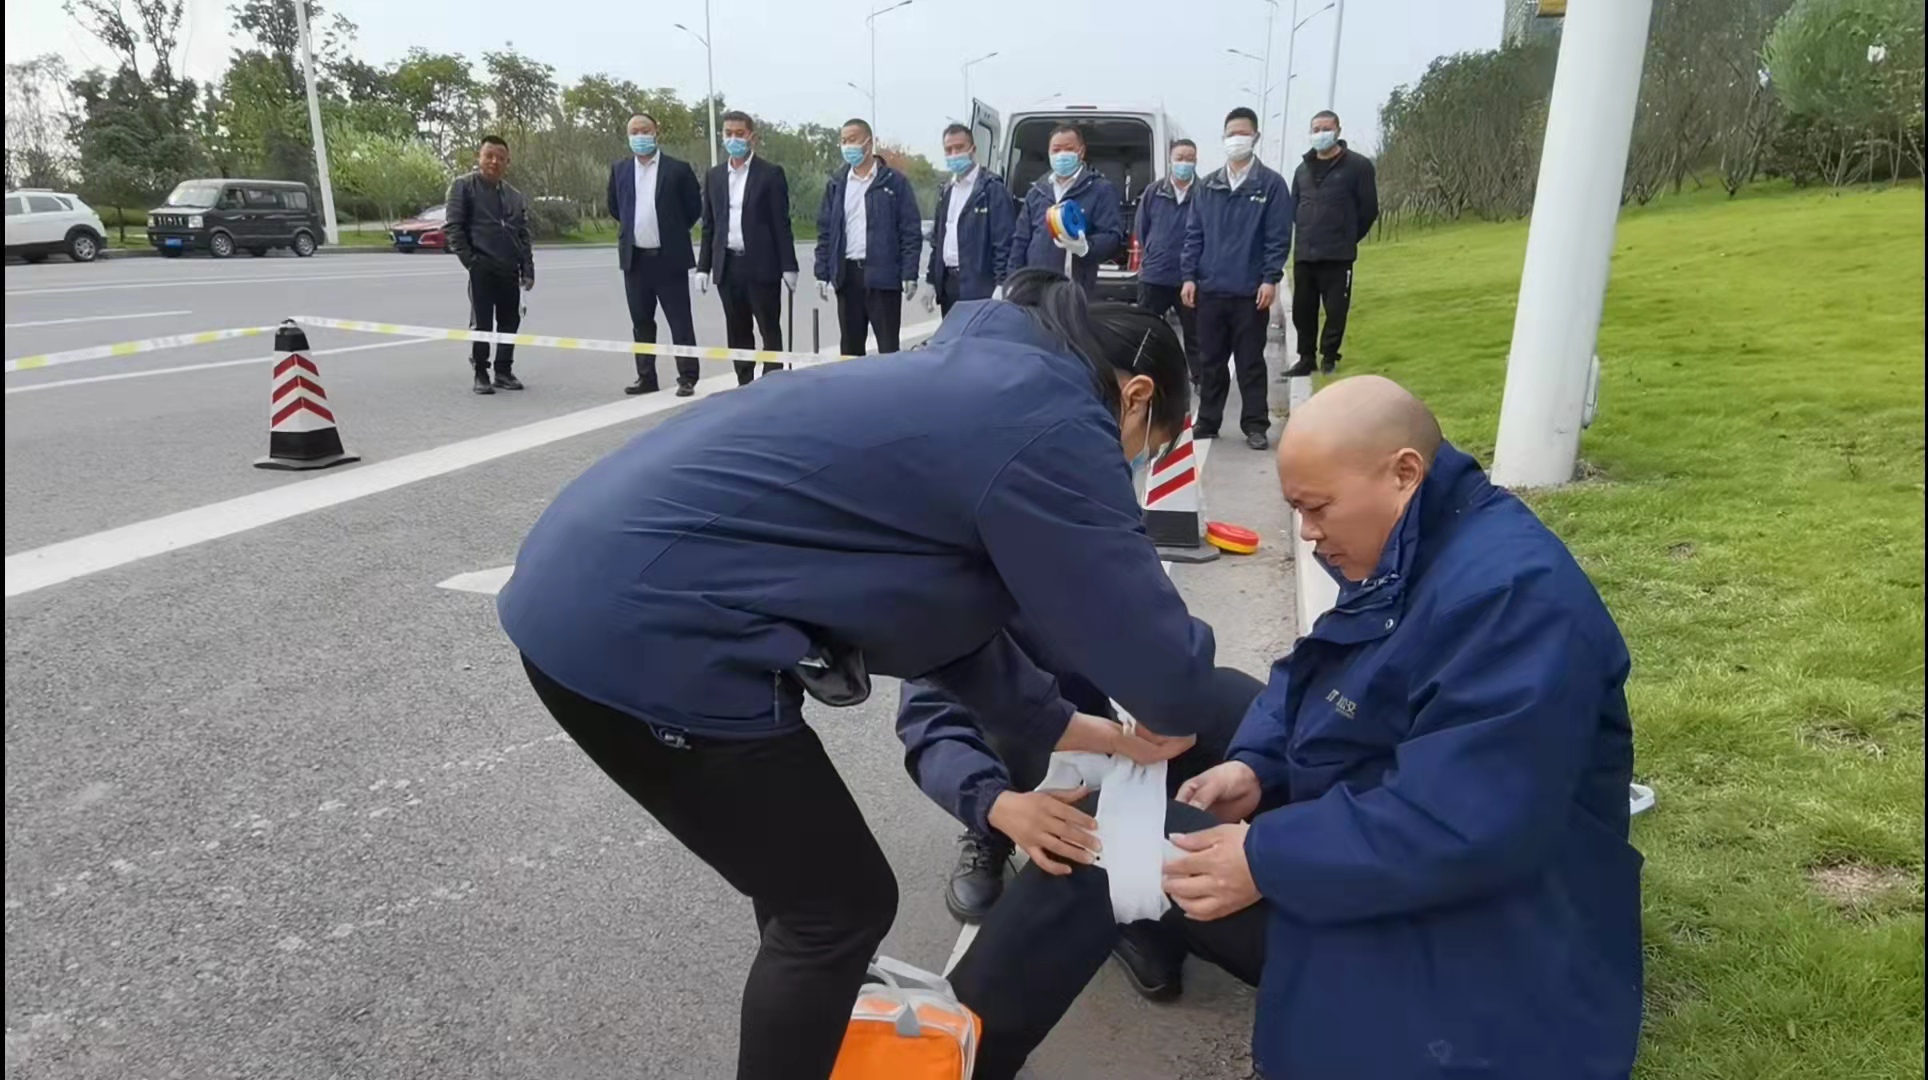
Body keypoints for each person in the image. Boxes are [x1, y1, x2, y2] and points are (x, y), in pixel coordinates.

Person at [497, 268, 1216, 1080]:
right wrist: (1173, 705)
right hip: (643, 629)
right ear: (1136, 397)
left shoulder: (983, 382)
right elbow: (1168, 673)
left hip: (601, 582)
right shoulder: (1051, 422)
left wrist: (1082, 731)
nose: (1130, 469)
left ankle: (812, 1034)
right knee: (837, 908)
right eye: (1143, 449)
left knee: (803, 888)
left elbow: (940, 621)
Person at [948, 374, 1644, 1080]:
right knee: (1214, 700)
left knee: (1099, 843)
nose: (1308, 533)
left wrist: (1264, 859)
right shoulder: (1430, 538)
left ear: (1404, 473)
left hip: (1462, 929)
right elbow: (1323, 668)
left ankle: (945, 1057)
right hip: (1396, 823)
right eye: (1297, 512)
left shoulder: (1512, 603)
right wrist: (1256, 763)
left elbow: (1464, 823)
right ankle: (1142, 922)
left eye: (1317, 509)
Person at [1182, 107, 1294, 451]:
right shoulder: (1208, 186)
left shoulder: (1271, 185)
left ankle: (1255, 425)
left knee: (1249, 361)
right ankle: (1208, 420)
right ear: (1223, 137)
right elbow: (1194, 234)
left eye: (1243, 133)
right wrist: (1189, 276)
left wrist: (1269, 278)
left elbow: (1277, 237)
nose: (1236, 139)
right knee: (1211, 361)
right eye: (1231, 134)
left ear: (1255, 137)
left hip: (1249, 291)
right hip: (1210, 289)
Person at [698, 110, 798, 385]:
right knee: (737, 329)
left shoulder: (770, 174)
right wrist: (703, 266)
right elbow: (709, 225)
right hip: (728, 265)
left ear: (751, 137)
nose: (734, 139)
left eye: (739, 134)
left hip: (761, 266)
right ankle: (744, 382)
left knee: (768, 327)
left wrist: (789, 265)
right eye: (728, 133)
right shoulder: (715, 176)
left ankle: (772, 383)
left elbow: (781, 223)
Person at [608, 113, 704, 396]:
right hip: (635, 260)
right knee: (641, 322)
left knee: (680, 321)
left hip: (669, 259)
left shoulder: (678, 170)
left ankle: (687, 376)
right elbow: (615, 206)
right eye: (634, 132)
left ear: (656, 132)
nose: (640, 136)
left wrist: (672, 229)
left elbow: (693, 208)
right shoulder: (620, 170)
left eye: (645, 130)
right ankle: (646, 377)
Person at [813, 118, 923, 356]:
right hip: (848, 276)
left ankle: (889, 382)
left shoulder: (894, 183)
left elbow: (910, 230)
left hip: (883, 277)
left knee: (888, 349)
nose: (847, 146)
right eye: (843, 141)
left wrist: (909, 272)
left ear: (869, 142)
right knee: (850, 349)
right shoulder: (837, 184)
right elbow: (826, 231)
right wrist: (822, 272)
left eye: (852, 139)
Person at [1283, 110, 1379, 377]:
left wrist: (1347, 235)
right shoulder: (1302, 170)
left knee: (1336, 310)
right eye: (1316, 129)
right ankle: (1306, 358)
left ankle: (1329, 356)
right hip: (1306, 252)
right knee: (1303, 309)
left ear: (1337, 130)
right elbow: (1294, 207)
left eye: (1326, 128)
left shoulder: (1358, 166)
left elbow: (1369, 209)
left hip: (1338, 254)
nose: (1320, 134)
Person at [444, 134, 534, 395]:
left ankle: (503, 370)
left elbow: (522, 234)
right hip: (481, 268)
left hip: (509, 269)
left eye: (500, 158)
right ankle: (480, 372)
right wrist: (471, 262)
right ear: (479, 157)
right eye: (489, 156)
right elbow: (454, 228)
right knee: (482, 324)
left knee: (510, 322)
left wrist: (527, 269)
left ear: (508, 162)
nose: (494, 161)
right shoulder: (463, 186)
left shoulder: (514, 196)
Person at [1009, 124, 1123, 296]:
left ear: (1081, 152)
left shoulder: (1100, 190)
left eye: (1069, 149)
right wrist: (1011, 282)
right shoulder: (1037, 191)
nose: (1062, 155)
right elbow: (1021, 240)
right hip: (1035, 287)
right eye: (1056, 150)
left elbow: (1112, 236)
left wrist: (1086, 247)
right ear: (1049, 153)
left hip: (1074, 289)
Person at [926, 122, 1015, 317]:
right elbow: (937, 241)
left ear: (972, 149)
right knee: (952, 336)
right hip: (949, 285)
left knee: (979, 336)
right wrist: (932, 280)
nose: (954, 154)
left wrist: (1002, 283)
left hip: (979, 286)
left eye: (959, 148)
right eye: (949, 149)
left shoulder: (991, 189)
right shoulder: (947, 191)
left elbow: (1004, 242)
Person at [1134, 138, 1202, 388]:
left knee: (1196, 334)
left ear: (1196, 161)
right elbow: (1142, 229)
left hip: (1191, 278)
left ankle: (1200, 378)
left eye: (1190, 158)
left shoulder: (1204, 193)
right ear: (1171, 160)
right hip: (1155, 275)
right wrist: (1156, 252)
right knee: (1146, 330)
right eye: (1180, 158)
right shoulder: (1153, 192)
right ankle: (1143, 375)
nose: (1184, 163)